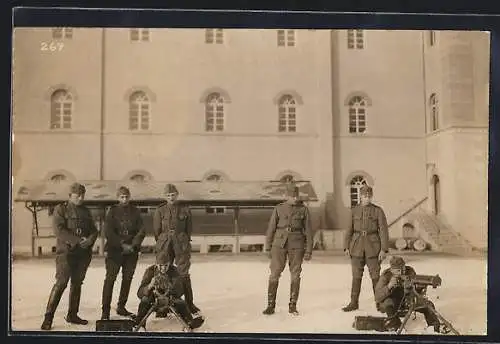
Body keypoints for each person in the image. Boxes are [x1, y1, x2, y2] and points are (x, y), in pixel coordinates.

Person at [40, 182, 98, 330]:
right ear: (70, 196)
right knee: (61, 283)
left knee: (77, 283)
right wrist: (79, 241)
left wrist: (90, 240)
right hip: (66, 253)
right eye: (77, 195)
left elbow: (93, 230)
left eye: (82, 195)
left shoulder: (86, 211)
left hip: (82, 254)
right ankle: (48, 317)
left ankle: (73, 314)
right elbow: (59, 231)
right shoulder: (61, 209)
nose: (80, 198)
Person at [262, 184, 313, 316]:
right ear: (286, 196)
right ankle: (270, 305)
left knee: (295, 274)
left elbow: (308, 230)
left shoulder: (303, 210)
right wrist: (267, 247)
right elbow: (271, 228)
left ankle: (292, 305)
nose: (294, 198)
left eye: (296, 195)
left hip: (297, 244)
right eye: (292, 196)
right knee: (274, 274)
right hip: (279, 244)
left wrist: (308, 250)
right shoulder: (279, 208)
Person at [153, 183, 200, 315]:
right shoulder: (160, 210)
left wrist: (183, 240)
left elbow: (188, 229)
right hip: (165, 243)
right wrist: (163, 242)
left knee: (183, 273)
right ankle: (162, 307)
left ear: (177, 195)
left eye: (173, 195)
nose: (171, 197)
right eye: (168, 195)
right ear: (165, 196)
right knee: (162, 273)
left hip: (181, 243)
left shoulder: (185, 209)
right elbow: (157, 231)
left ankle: (189, 304)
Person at [101, 186, 146, 320]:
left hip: (131, 251)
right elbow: (108, 232)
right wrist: (121, 245)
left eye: (126, 197)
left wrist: (133, 245)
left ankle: (121, 307)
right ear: (117, 197)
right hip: (115, 251)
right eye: (121, 197)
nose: (124, 199)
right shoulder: (112, 211)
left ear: (129, 197)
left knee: (127, 279)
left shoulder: (136, 211)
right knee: (110, 280)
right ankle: (105, 311)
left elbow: (141, 230)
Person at [342, 185, 389, 312]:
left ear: (371, 196)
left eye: (369, 196)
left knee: (375, 276)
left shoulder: (378, 211)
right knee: (356, 276)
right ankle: (353, 302)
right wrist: (346, 247)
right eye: (364, 196)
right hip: (356, 247)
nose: (367, 198)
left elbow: (384, 230)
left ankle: (380, 303)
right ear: (360, 196)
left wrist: (384, 249)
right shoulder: (354, 211)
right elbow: (349, 230)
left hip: (373, 247)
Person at [375, 256, 449, 333]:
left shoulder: (410, 271)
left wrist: (419, 287)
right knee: (388, 302)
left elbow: (416, 290)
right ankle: (396, 325)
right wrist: (389, 286)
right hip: (393, 303)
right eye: (398, 270)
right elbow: (377, 297)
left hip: (407, 299)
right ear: (391, 270)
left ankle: (434, 327)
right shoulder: (386, 276)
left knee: (428, 304)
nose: (401, 272)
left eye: (403, 269)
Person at [134, 258, 205, 331]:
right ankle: (140, 324)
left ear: (169, 264)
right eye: (161, 265)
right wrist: (149, 286)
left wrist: (171, 287)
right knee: (144, 301)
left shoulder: (174, 271)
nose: (163, 268)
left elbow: (180, 291)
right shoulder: (150, 271)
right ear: (156, 264)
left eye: (166, 265)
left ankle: (189, 323)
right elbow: (139, 293)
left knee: (181, 303)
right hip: (153, 297)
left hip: (170, 297)